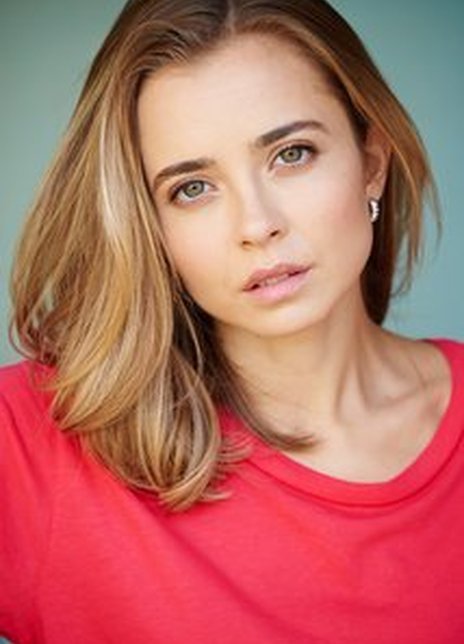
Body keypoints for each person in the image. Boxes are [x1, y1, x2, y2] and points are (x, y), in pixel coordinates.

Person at [1, 0, 463, 642]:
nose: (257, 224)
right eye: (192, 188)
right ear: (148, 226)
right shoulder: (33, 441)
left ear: (372, 164)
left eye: (292, 153)